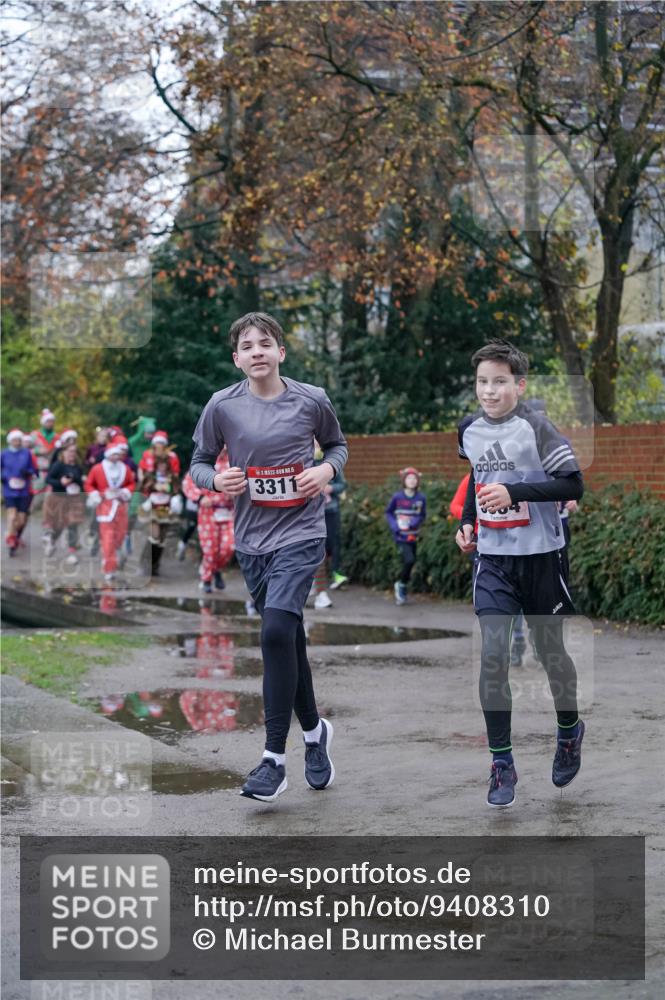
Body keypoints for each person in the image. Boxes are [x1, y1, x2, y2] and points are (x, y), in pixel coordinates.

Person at [190, 311, 348, 803]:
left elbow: (338, 447)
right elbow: (197, 463)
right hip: (252, 541)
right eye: (247, 346)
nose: (257, 351)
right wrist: (216, 480)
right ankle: (315, 734)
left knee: (276, 631)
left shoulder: (311, 400)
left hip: (301, 534)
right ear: (236, 359)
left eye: (266, 343)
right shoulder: (222, 407)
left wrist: (325, 472)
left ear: (281, 352)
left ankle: (273, 760)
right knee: (289, 641)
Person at [455, 338, 584, 808]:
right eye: (482, 382)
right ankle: (501, 764)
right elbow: (476, 480)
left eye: (499, 382)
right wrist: (468, 521)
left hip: (543, 557)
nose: (489, 391)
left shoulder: (537, 427)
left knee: (552, 655)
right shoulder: (469, 429)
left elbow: (574, 484)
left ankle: (569, 731)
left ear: (519, 384)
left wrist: (515, 492)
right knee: (493, 654)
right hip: (493, 560)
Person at [182, 450, 235, 593]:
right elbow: (188, 482)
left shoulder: (235, 459)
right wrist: (199, 498)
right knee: (210, 550)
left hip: (229, 512)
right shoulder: (205, 460)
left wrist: (236, 493)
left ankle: (215, 570)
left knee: (228, 547)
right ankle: (206, 578)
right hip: (208, 513)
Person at [85, 440, 136, 583]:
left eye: (118, 455)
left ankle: (110, 558)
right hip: (105, 507)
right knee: (108, 539)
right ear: (107, 455)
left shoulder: (125, 469)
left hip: (120, 506)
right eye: (113, 455)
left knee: (119, 538)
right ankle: (109, 568)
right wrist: (95, 494)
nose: (116, 457)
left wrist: (126, 491)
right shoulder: (97, 469)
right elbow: (89, 484)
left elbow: (131, 483)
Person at [385, 467, 427, 605]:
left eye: (415, 478)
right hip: (400, 537)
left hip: (413, 536)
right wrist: (395, 526)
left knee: (412, 561)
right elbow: (389, 513)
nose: (412, 481)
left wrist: (413, 523)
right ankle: (401, 585)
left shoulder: (421, 498)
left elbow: (422, 515)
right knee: (409, 560)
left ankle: (402, 585)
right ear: (404, 481)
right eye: (409, 478)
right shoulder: (397, 497)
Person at [43, 439, 86, 563]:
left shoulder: (78, 466)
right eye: (70, 451)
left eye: (74, 451)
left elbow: (81, 483)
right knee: (59, 526)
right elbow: (48, 480)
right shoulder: (58, 465)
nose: (72, 454)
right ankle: (51, 541)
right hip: (59, 498)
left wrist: (82, 485)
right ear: (64, 452)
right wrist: (60, 483)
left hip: (74, 500)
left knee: (73, 524)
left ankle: (72, 552)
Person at [139, 454, 180, 577]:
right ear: (157, 465)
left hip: (166, 509)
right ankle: (145, 561)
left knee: (162, 539)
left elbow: (177, 490)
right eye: (160, 465)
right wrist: (153, 486)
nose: (162, 467)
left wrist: (168, 489)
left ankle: (155, 565)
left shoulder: (171, 477)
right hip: (154, 508)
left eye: (164, 465)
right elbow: (141, 488)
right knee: (154, 536)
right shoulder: (151, 475)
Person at [1, 429, 36, 556]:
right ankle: (11, 538)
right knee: (12, 515)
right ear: (10, 441)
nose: (17, 442)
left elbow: (33, 469)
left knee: (21, 519)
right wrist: (4, 476)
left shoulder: (26, 453)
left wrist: (29, 472)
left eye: (19, 440)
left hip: (23, 490)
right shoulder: (4, 454)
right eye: (15, 440)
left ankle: (12, 534)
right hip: (9, 489)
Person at [31, 408, 57, 492]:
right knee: (37, 495)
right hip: (38, 470)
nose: (50, 424)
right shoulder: (35, 435)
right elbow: (26, 451)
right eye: (48, 421)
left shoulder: (57, 437)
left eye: (52, 421)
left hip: (52, 470)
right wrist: (37, 451)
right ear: (43, 422)